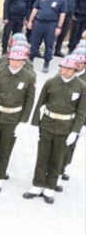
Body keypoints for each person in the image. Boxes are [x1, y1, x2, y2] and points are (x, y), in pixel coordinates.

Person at [24, 57, 86, 204]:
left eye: (69, 69)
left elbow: (81, 111)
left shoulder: (81, 86)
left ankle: (49, 187)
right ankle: (37, 185)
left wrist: (75, 131)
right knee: (42, 157)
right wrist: (35, 124)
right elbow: (40, 103)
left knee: (57, 159)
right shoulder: (51, 82)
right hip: (47, 125)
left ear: (75, 70)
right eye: (63, 67)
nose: (65, 71)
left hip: (66, 128)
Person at [0, 47, 37, 193]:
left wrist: (23, 122)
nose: (15, 63)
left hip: (13, 119)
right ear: (8, 59)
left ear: (24, 61)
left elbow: (29, 100)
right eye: (13, 59)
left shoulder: (29, 77)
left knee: (5, 149)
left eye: (19, 60)